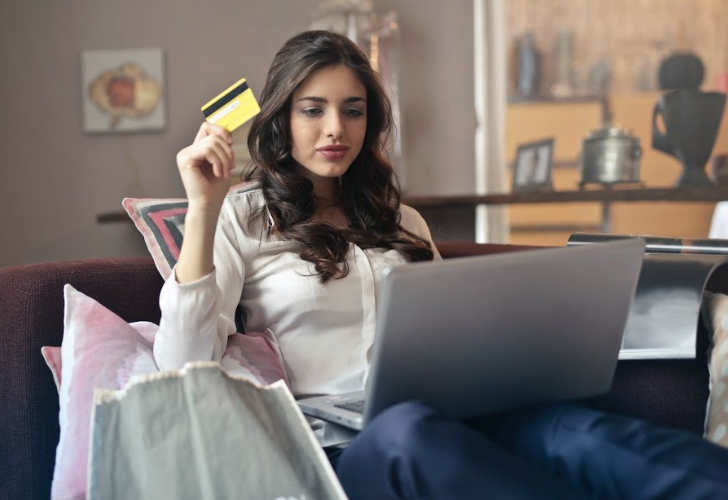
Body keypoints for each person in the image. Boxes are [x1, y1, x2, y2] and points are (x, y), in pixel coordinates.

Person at [156, 30, 728, 500]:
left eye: (352, 111)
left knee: (571, 431)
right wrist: (204, 208)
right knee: (408, 433)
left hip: (453, 413)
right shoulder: (243, 216)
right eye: (314, 110)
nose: (336, 129)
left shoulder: (401, 221)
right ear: (282, 118)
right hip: (344, 450)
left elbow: (446, 337)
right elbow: (182, 361)